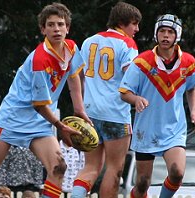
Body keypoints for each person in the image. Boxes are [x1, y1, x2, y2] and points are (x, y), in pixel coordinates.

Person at [0, 2, 91, 198]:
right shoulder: (40, 60)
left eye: (61, 24)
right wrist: (60, 126)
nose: (57, 29)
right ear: (42, 29)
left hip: (39, 121)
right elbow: (39, 105)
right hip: (13, 118)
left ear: (67, 28)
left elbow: (74, 78)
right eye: (51, 24)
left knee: (58, 168)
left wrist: (79, 109)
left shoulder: (71, 48)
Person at [119, 14, 195, 197]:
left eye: (170, 32)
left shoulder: (189, 63)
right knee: (142, 184)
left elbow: (192, 89)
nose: (165, 36)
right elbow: (124, 92)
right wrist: (136, 100)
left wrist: (194, 110)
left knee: (177, 173)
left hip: (174, 129)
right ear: (156, 34)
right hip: (146, 130)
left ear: (177, 35)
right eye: (162, 31)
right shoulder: (141, 62)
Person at [71, 2, 142, 198]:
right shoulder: (127, 44)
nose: (136, 29)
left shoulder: (89, 41)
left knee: (91, 166)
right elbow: (132, 80)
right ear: (122, 22)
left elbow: (78, 76)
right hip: (116, 114)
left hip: (90, 112)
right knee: (114, 169)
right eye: (134, 24)